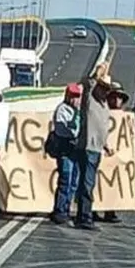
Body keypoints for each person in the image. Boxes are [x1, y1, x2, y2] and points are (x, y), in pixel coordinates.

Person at [73, 64, 113, 230]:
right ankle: (84, 217)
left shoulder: (104, 106)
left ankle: (85, 214)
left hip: (97, 149)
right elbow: (87, 83)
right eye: (102, 88)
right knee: (87, 184)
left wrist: (106, 145)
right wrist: (97, 75)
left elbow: (101, 128)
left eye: (106, 89)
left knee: (88, 183)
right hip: (88, 148)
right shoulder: (90, 101)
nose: (104, 92)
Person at [94, 82, 130, 224]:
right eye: (113, 97)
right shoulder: (101, 113)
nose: (116, 101)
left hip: (116, 156)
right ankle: (94, 209)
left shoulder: (125, 117)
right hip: (101, 153)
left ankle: (111, 211)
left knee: (114, 182)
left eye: (119, 98)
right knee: (98, 182)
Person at [47, 84, 82, 224]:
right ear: (67, 96)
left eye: (77, 96)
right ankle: (59, 210)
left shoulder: (78, 111)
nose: (75, 99)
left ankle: (66, 208)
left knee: (73, 182)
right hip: (65, 149)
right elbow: (63, 130)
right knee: (65, 181)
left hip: (75, 151)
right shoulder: (62, 110)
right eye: (73, 96)